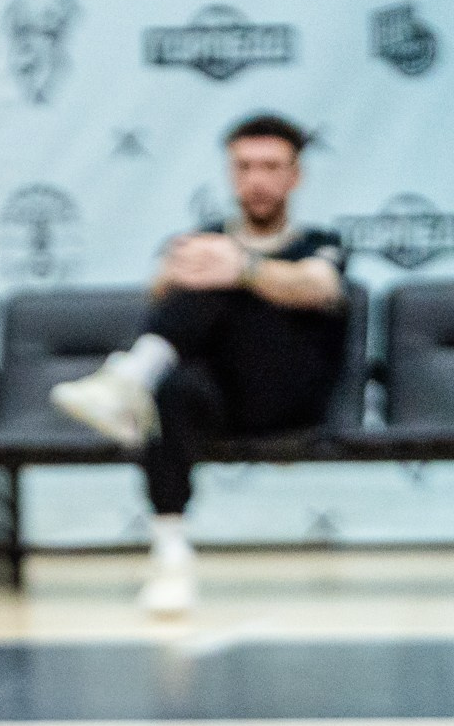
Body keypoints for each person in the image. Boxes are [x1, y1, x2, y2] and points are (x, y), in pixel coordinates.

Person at [49, 113, 351, 615]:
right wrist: (174, 275)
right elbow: (158, 300)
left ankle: (127, 377)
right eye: (244, 166)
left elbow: (319, 285)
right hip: (216, 397)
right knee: (172, 389)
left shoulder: (321, 243)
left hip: (291, 399)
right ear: (231, 174)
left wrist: (243, 268)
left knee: (224, 273)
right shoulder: (206, 239)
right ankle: (170, 554)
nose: (257, 179)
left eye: (271, 166)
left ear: (294, 176)